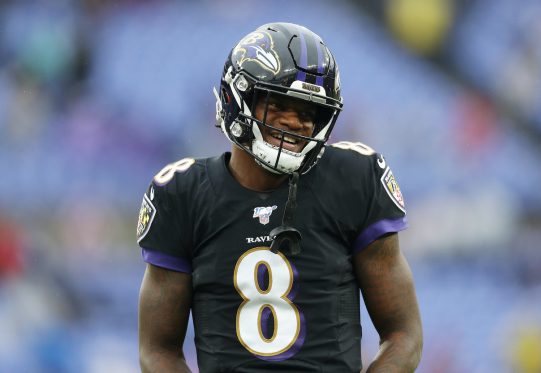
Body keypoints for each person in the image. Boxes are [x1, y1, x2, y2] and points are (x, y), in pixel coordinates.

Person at [137, 22, 422, 372]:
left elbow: (404, 334)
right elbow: (158, 350)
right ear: (237, 98)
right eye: (278, 105)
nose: (295, 123)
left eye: (308, 113)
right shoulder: (181, 194)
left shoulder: (354, 179)